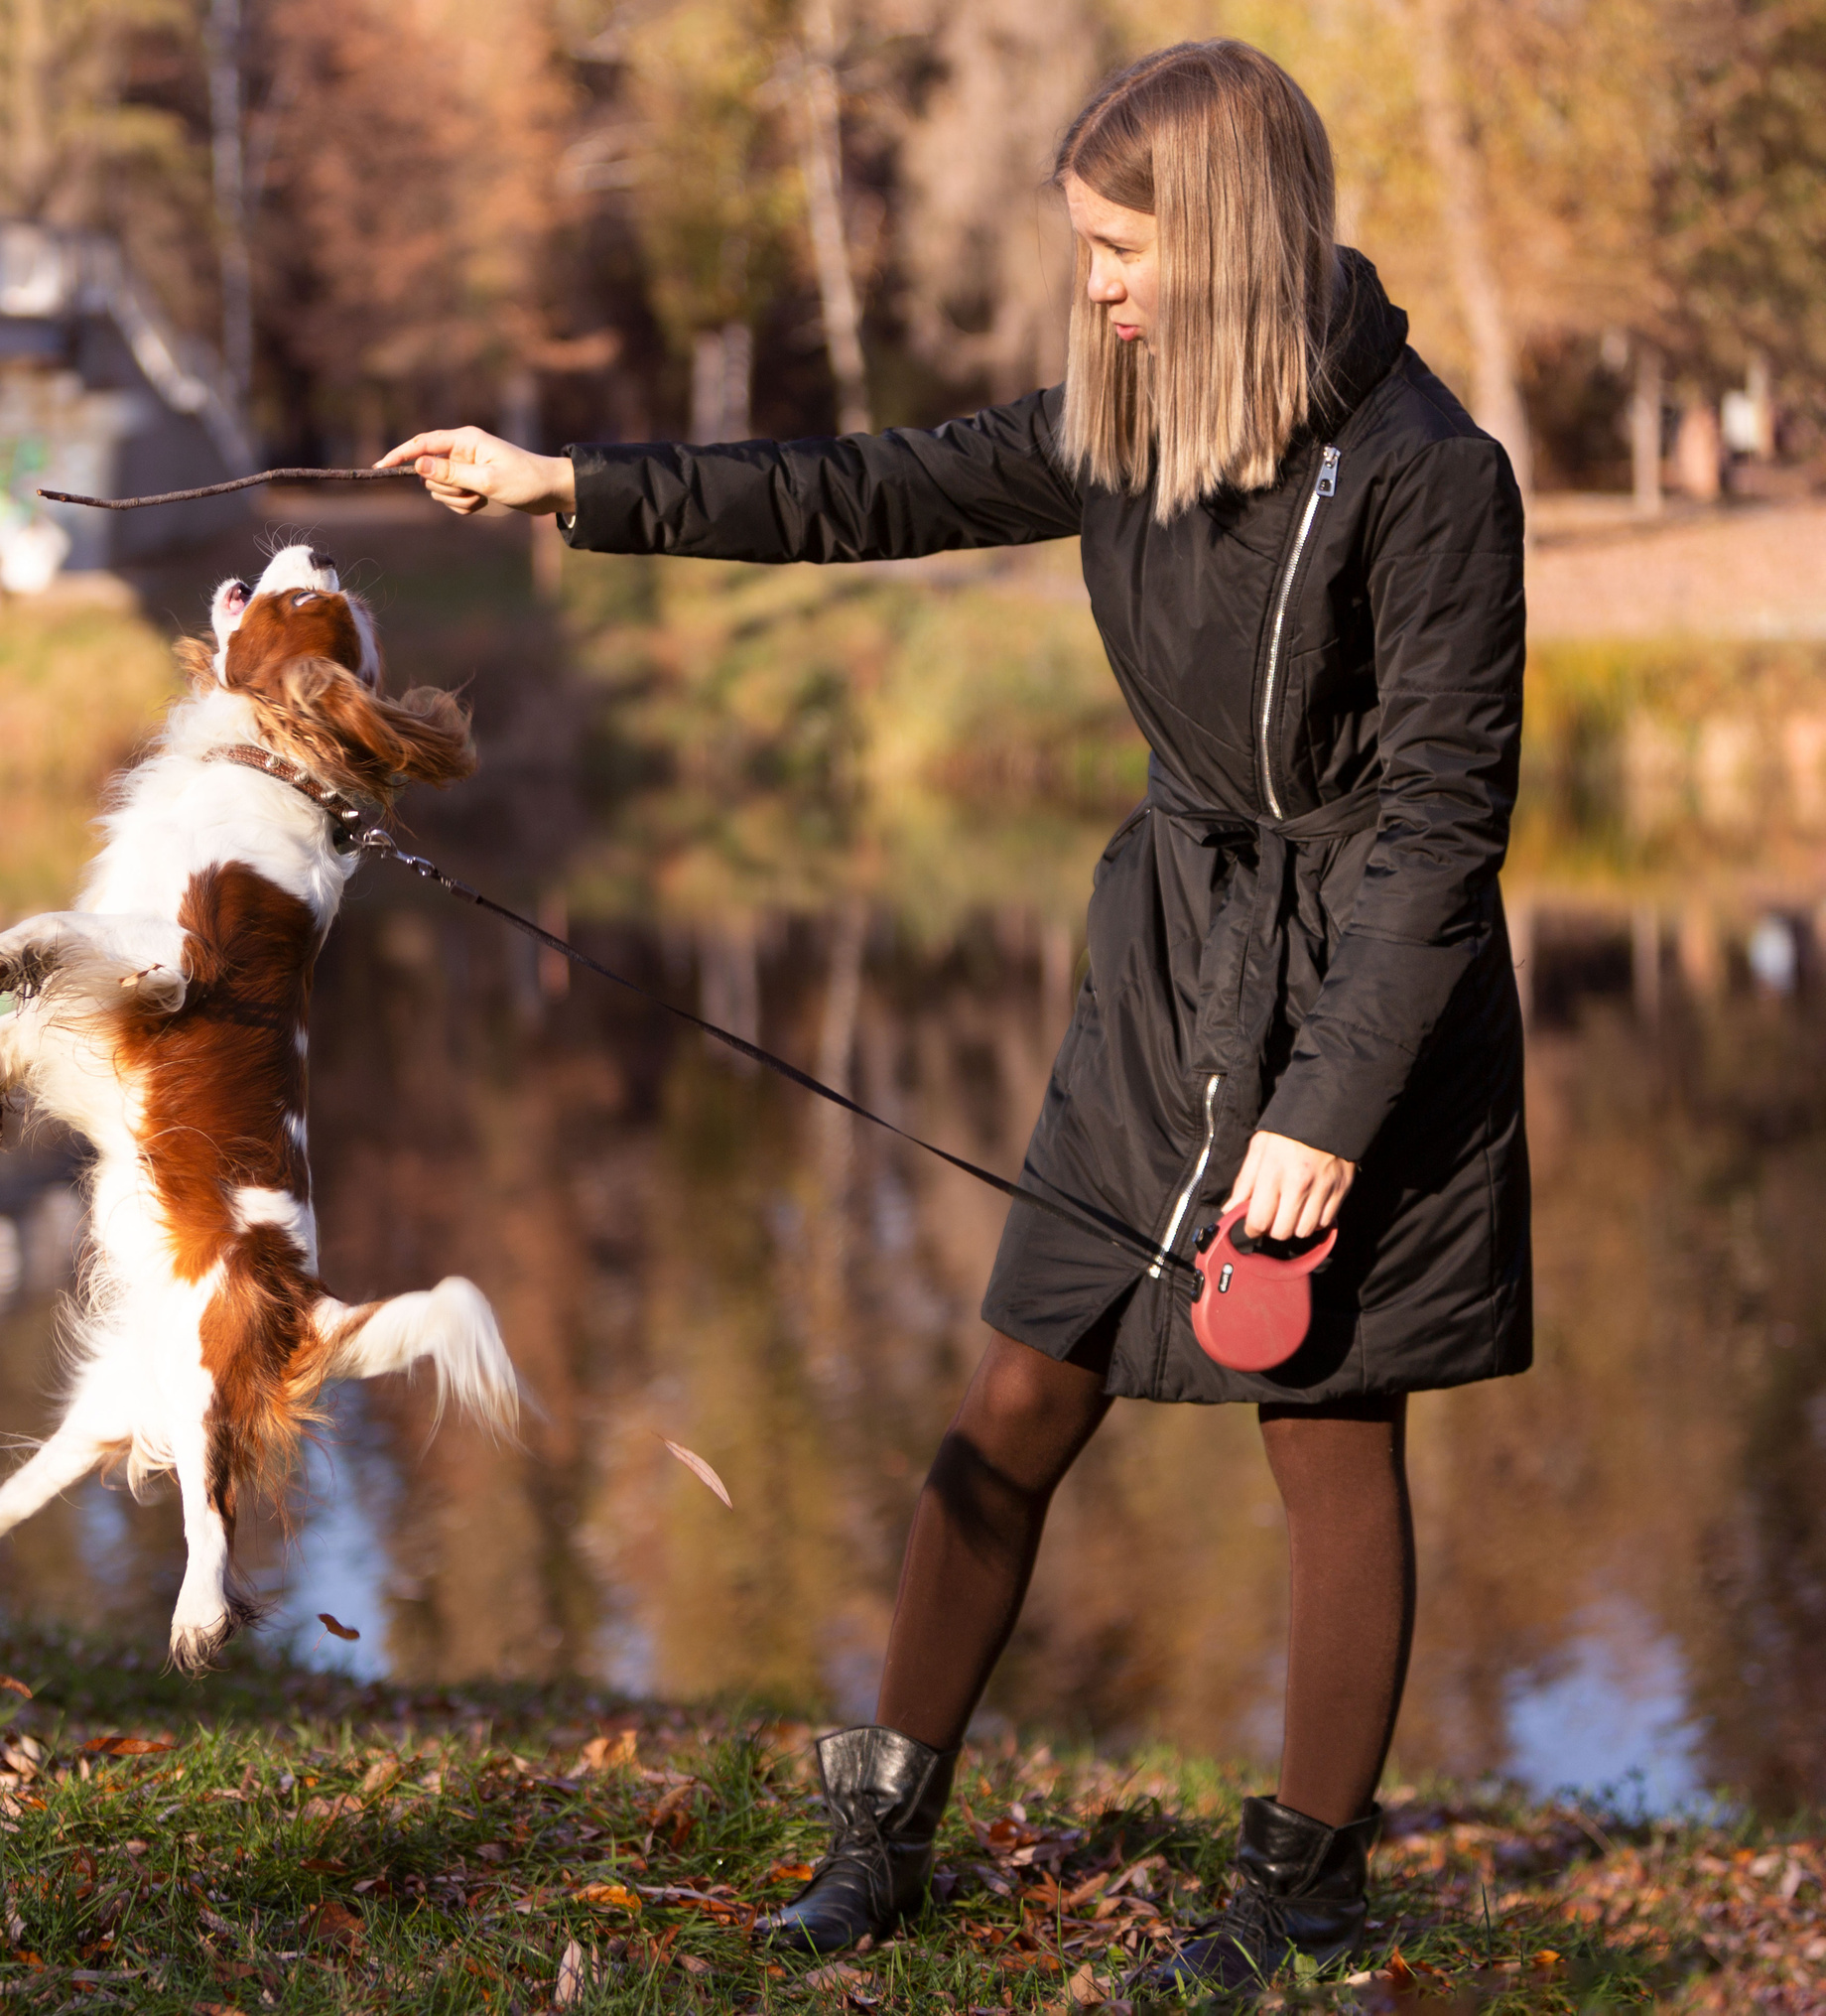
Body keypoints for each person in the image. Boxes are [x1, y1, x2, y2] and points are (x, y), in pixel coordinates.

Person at [381, 36, 1528, 1999]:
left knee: (1325, 1429)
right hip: (1164, 966)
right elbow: (863, 489)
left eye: (1118, 248)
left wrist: (1326, 1108)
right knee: (1013, 1391)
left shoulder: (1428, 475)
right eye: (1082, 246)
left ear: (1230, 244)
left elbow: (1440, 824)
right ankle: (881, 1834)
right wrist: (571, 482)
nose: (1091, 284)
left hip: (1358, 1001)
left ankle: (1306, 1890)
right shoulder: (1124, 409)